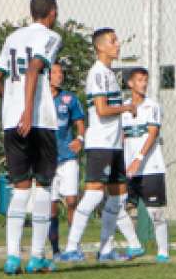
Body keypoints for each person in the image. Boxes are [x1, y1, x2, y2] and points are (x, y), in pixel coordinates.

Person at [0, 0, 63, 275]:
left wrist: (12, 104)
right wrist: (28, 111)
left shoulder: (12, 37)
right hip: (39, 119)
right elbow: (34, 68)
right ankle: (36, 257)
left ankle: (11, 258)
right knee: (44, 187)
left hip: (11, 122)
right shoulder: (50, 36)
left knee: (20, 188)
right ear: (52, 13)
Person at [60, 27, 142, 263]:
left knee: (117, 199)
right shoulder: (97, 73)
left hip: (114, 145)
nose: (118, 44)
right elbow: (102, 109)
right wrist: (126, 107)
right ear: (100, 47)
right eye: (113, 41)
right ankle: (71, 247)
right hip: (100, 144)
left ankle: (105, 249)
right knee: (94, 195)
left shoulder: (109, 73)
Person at [120, 65, 170, 262]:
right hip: (129, 169)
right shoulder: (124, 108)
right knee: (119, 207)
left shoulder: (152, 106)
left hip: (151, 168)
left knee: (155, 212)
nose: (143, 84)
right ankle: (134, 246)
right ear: (130, 83)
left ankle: (163, 252)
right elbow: (122, 137)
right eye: (139, 80)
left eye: (145, 80)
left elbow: (152, 133)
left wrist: (138, 159)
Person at [46, 60, 85, 256]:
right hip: (47, 159)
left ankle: (73, 246)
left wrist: (80, 138)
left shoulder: (69, 98)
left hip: (67, 157)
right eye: (55, 73)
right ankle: (55, 249)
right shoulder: (39, 98)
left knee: (71, 201)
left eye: (61, 73)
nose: (59, 76)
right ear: (47, 75)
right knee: (50, 207)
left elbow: (79, 121)